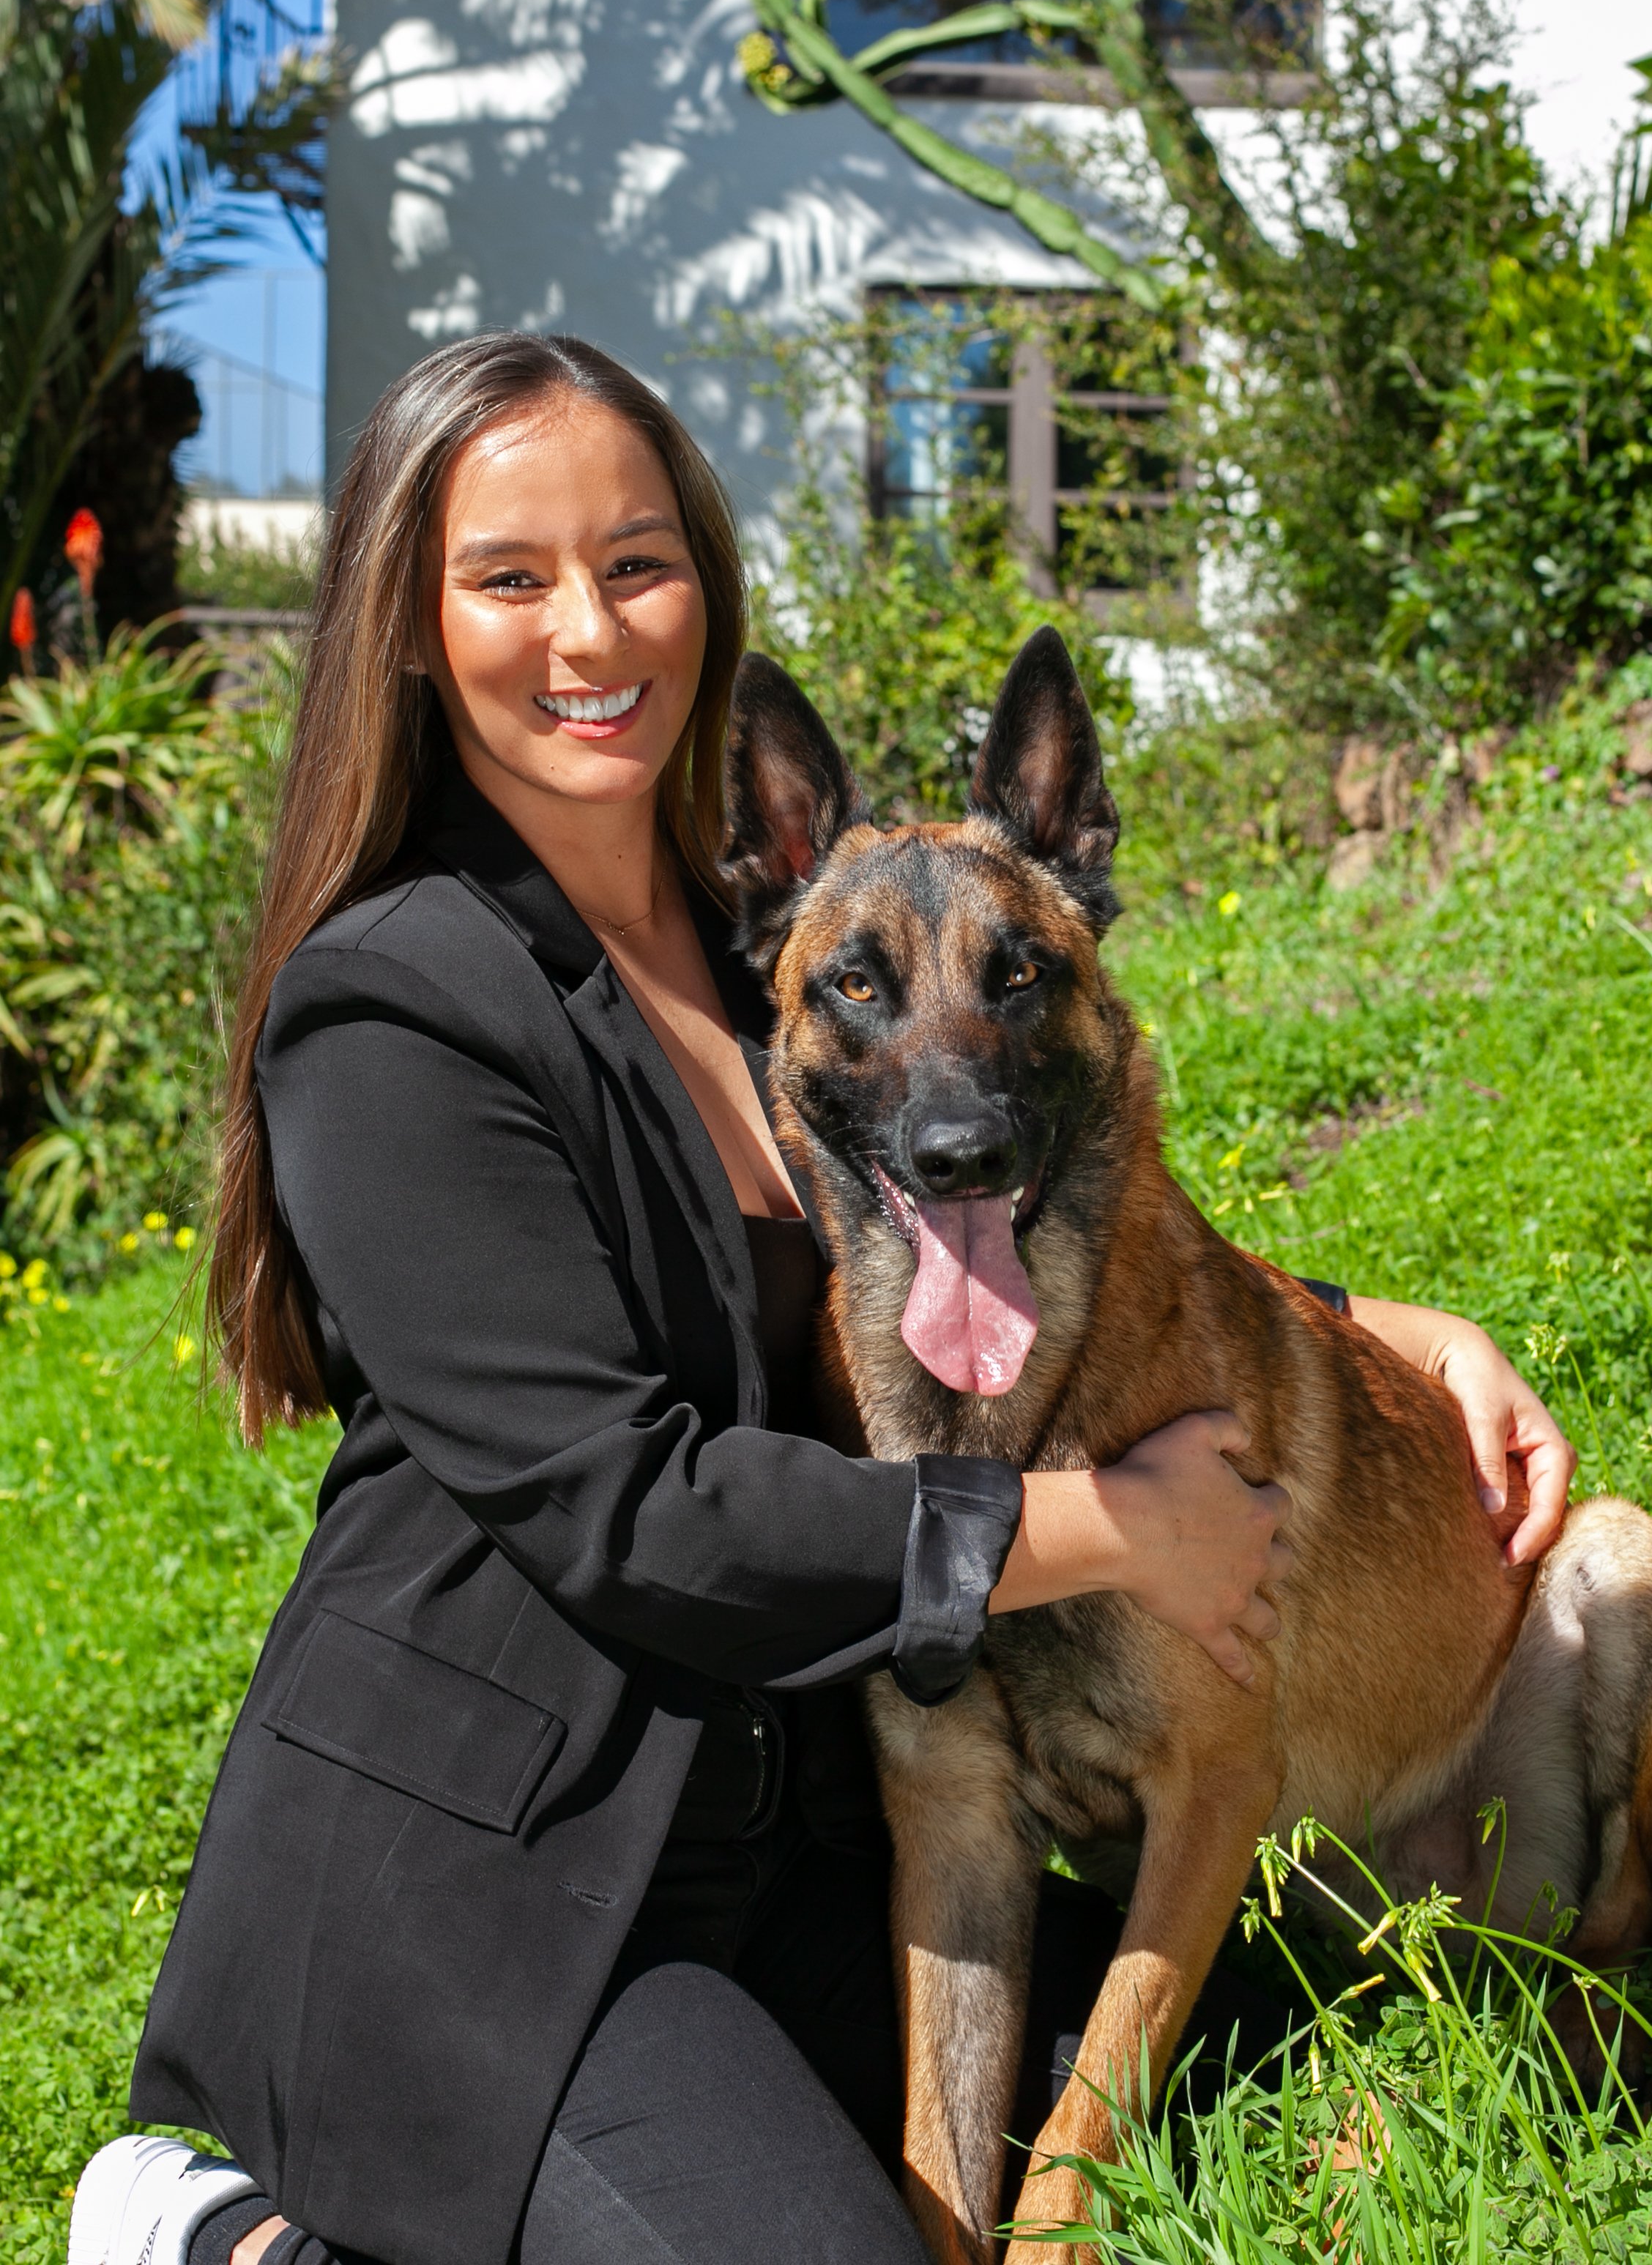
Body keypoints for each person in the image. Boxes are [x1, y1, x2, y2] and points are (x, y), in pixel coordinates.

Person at [70, 333, 1575, 2265]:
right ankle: (218, 2232)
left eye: (638, 560)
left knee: (1245, 2058)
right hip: (492, 1883)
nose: (589, 629)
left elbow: (1019, 1212)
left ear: (706, 576)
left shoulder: (788, 936)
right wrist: (1109, 1529)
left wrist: (1392, 1330)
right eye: (508, 577)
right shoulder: (399, 1009)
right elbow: (632, 1509)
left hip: (798, 1816)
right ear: (415, 629)